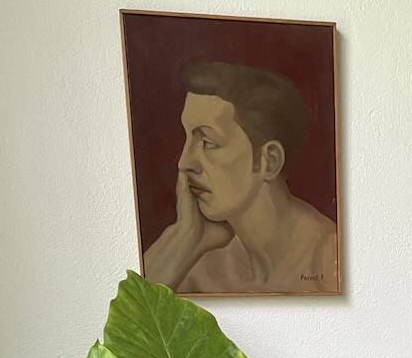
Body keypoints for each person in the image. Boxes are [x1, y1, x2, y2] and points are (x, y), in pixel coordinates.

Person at [143, 60, 338, 295]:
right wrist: (184, 236)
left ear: (270, 160)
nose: (184, 163)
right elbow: (131, 323)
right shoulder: (200, 266)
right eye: (187, 139)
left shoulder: (331, 260)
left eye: (208, 142)